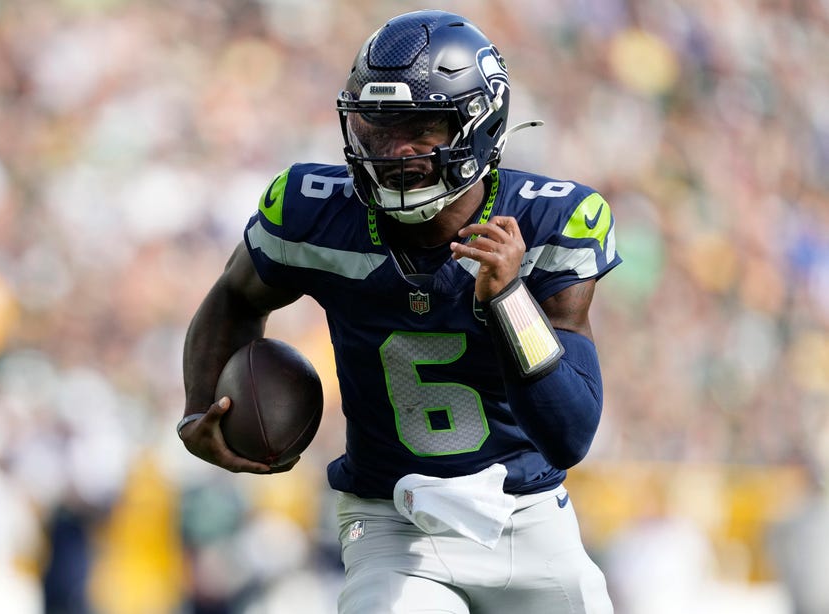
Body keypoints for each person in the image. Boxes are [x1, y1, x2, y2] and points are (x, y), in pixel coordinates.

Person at [180, 9, 619, 614]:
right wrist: (201, 406)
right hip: (391, 517)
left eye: (422, 127)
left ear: (479, 125)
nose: (396, 152)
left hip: (526, 515)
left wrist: (510, 299)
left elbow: (569, 435)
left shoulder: (551, 221)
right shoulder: (314, 212)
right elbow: (234, 295)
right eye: (379, 128)